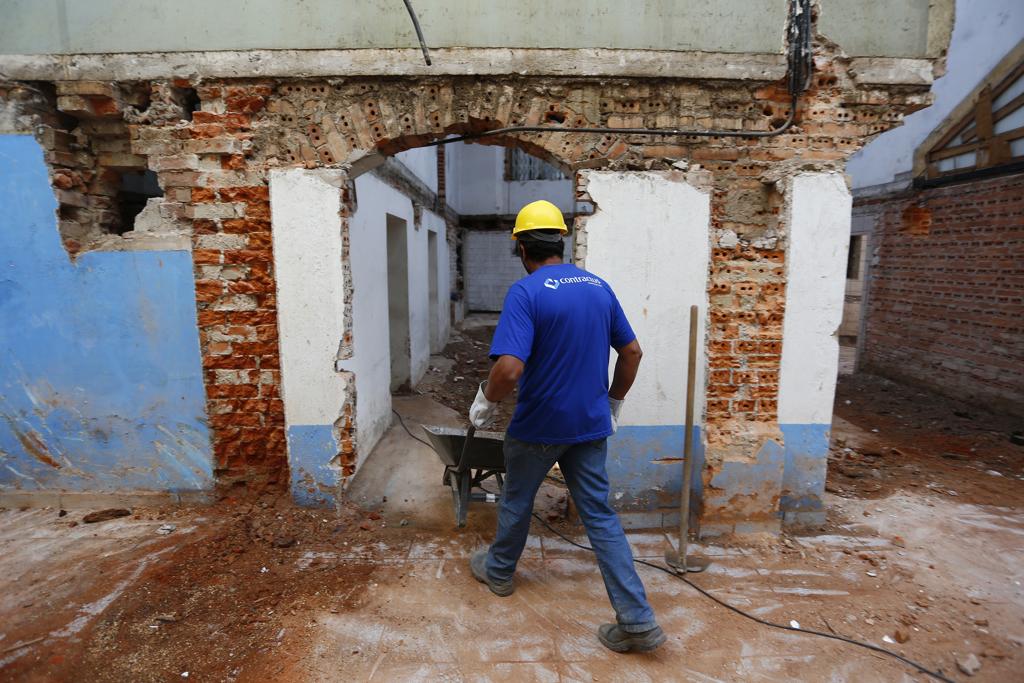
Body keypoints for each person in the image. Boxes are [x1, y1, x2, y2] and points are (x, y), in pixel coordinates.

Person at [466, 199, 665, 653]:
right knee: (600, 516)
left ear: (520, 247)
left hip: (537, 427)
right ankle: (637, 620)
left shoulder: (527, 292)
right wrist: (614, 400)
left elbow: (509, 369)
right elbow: (632, 353)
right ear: (561, 240)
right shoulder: (598, 287)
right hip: (590, 426)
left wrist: (485, 400)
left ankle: (498, 572)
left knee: (517, 500)